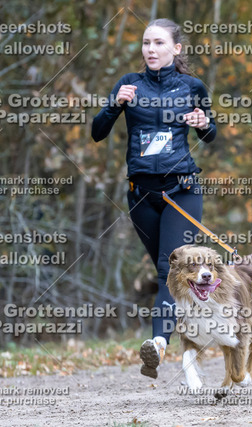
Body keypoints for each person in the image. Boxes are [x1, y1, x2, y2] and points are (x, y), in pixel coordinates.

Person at [92, 18, 216, 378]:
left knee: (169, 270)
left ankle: (158, 344)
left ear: (175, 49)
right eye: (146, 43)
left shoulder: (192, 87)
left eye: (159, 43)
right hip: (141, 196)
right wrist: (115, 105)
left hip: (181, 191)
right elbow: (97, 132)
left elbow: (210, 135)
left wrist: (203, 124)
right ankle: (191, 326)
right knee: (172, 277)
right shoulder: (129, 85)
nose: (150, 49)